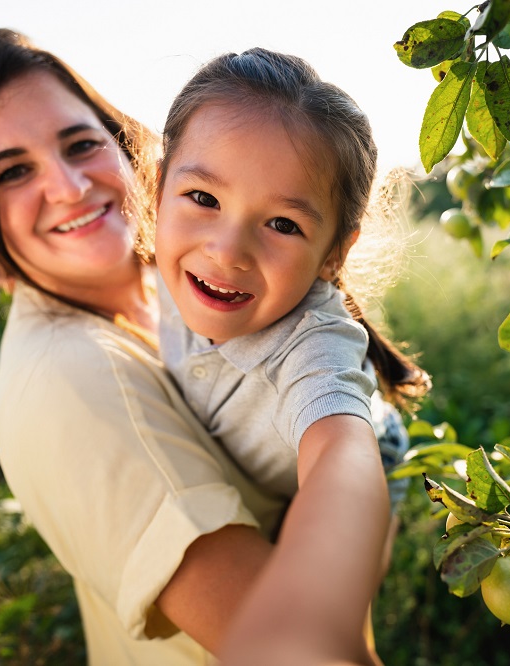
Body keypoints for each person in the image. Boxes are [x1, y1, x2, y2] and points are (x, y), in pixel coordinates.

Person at [0, 29, 385, 665]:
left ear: (126, 148)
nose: (71, 188)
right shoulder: (65, 379)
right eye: (13, 173)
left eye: (80, 144)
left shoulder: (185, 286)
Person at [150, 49, 431, 664]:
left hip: (370, 454)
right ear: (157, 188)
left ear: (334, 253)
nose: (227, 251)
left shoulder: (313, 344)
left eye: (281, 224)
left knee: (337, 630)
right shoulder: (156, 260)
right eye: (203, 197)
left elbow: (341, 454)